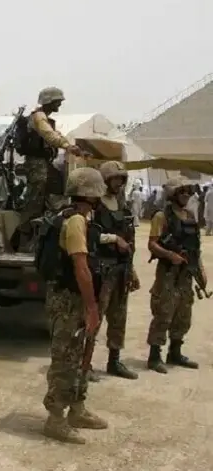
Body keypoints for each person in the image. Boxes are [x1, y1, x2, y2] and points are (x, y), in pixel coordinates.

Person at [42, 166, 108, 445]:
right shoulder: (75, 222)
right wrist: (92, 308)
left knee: (81, 356)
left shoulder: (73, 217)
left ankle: (77, 409)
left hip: (72, 298)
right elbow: (81, 268)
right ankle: (55, 419)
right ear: (91, 194)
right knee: (65, 359)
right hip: (69, 300)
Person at [146, 176, 204, 373]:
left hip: (186, 273)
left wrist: (201, 272)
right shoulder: (162, 216)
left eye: (189, 191)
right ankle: (155, 356)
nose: (186, 195)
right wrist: (170, 255)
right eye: (182, 191)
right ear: (173, 194)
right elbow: (152, 243)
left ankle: (175, 352)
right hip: (168, 273)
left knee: (183, 313)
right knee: (163, 312)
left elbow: (195, 249)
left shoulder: (190, 216)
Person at [15, 87, 83, 252]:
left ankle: (39, 237)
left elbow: (56, 135)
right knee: (35, 199)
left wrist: (72, 147)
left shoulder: (44, 117)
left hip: (44, 162)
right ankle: (24, 238)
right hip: (36, 163)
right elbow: (49, 135)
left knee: (50, 197)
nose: (59, 105)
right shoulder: (39, 117)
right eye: (57, 102)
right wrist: (67, 146)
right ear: (49, 101)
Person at [93, 161, 140, 380]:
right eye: (115, 179)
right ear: (105, 180)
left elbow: (129, 240)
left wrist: (132, 270)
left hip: (121, 269)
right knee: (94, 318)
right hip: (102, 269)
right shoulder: (95, 204)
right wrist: (113, 239)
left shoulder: (122, 205)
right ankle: (85, 363)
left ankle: (114, 361)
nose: (119, 183)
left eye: (122, 179)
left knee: (118, 318)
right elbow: (89, 235)